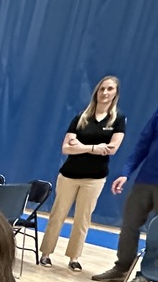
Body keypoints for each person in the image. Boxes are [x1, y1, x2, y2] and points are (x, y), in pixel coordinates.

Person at [92, 70, 158, 282]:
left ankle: (145, 274)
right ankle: (121, 267)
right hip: (146, 178)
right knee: (129, 225)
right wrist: (126, 171)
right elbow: (144, 140)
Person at [39, 76, 126, 272]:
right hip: (69, 175)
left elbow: (112, 149)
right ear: (97, 91)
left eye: (109, 89)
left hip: (94, 179)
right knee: (57, 215)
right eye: (102, 89)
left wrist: (83, 146)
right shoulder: (81, 118)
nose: (105, 93)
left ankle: (74, 258)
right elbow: (66, 148)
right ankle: (46, 254)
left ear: (115, 93)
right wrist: (96, 147)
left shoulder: (118, 120)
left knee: (82, 219)